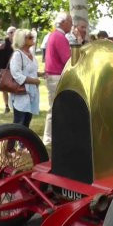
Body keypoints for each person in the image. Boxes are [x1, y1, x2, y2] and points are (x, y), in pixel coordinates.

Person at [43, 11, 72, 145]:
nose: (71, 25)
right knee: (56, 108)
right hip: (56, 76)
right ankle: (49, 137)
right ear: (63, 22)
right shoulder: (60, 37)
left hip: (52, 75)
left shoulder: (53, 35)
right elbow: (67, 59)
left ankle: (51, 136)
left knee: (54, 107)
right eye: (70, 22)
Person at [0, 26, 15, 113]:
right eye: (11, 32)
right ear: (8, 34)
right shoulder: (5, 43)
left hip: (15, 68)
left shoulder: (18, 43)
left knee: (14, 87)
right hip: (5, 67)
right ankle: (6, 106)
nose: (13, 34)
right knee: (5, 88)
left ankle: (13, 105)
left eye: (14, 32)